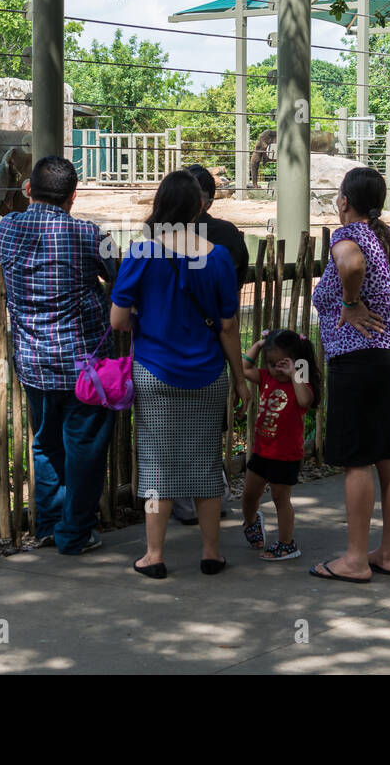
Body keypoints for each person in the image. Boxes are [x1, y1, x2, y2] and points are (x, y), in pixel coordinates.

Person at [110, 170, 251, 578]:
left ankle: (154, 557)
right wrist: (240, 379)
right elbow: (227, 325)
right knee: (206, 463)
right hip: (208, 374)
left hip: (155, 373)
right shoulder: (219, 256)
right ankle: (211, 553)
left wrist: (146, 313)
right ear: (198, 207)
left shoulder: (141, 252)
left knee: (157, 465)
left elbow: (118, 320)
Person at [309, 167, 390, 583]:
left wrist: (351, 303)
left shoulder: (346, 236)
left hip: (360, 358)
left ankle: (354, 558)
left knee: (356, 461)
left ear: (344, 202)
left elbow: (350, 266)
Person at [0, 156, 115, 554]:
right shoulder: (89, 233)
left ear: (29, 189)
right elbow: (121, 271)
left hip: (33, 363)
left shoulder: (6, 229)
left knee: (46, 443)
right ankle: (75, 532)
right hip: (85, 368)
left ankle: (48, 524)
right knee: (85, 448)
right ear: (73, 196)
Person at [169, 164, 250, 526]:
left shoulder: (158, 238)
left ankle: (184, 500)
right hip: (213, 341)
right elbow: (233, 293)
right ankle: (210, 496)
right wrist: (239, 374)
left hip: (167, 346)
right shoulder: (226, 236)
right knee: (207, 424)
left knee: (171, 427)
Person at [238, 329, 319, 561]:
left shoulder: (300, 383)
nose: (275, 369)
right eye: (271, 363)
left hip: (286, 455)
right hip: (262, 451)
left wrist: (294, 373)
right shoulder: (266, 377)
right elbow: (244, 368)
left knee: (280, 499)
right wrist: (259, 344)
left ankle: (287, 544)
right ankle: (252, 522)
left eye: (281, 363)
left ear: (294, 362)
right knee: (249, 495)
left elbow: (305, 401)